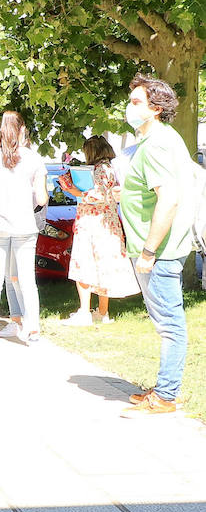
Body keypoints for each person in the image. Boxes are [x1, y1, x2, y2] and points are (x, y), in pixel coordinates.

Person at [119, 73, 196, 417]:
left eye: (136, 102)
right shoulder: (159, 141)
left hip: (159, 253)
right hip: (155, 250)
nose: (129, 107)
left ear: (156, 108)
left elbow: (168, 200)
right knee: (166, 321)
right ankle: (166, 388)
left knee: (169, 324)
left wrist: (149, 251)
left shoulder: (159, 143)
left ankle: (166, 396)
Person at [0, 111, 47, 342]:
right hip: (25, 225)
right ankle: (33, 329)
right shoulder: (34, 159)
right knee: (26, 279)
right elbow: (43, 199)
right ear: (23, 130)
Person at [58, 136, 139, 325]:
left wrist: (73, 191)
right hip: (108, 222)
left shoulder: (99, 169)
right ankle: (102, 312)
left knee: (83, 264)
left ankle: (84, 312)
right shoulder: (110, 168)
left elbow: (98, 195)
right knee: (104, 266)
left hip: (92, 222)